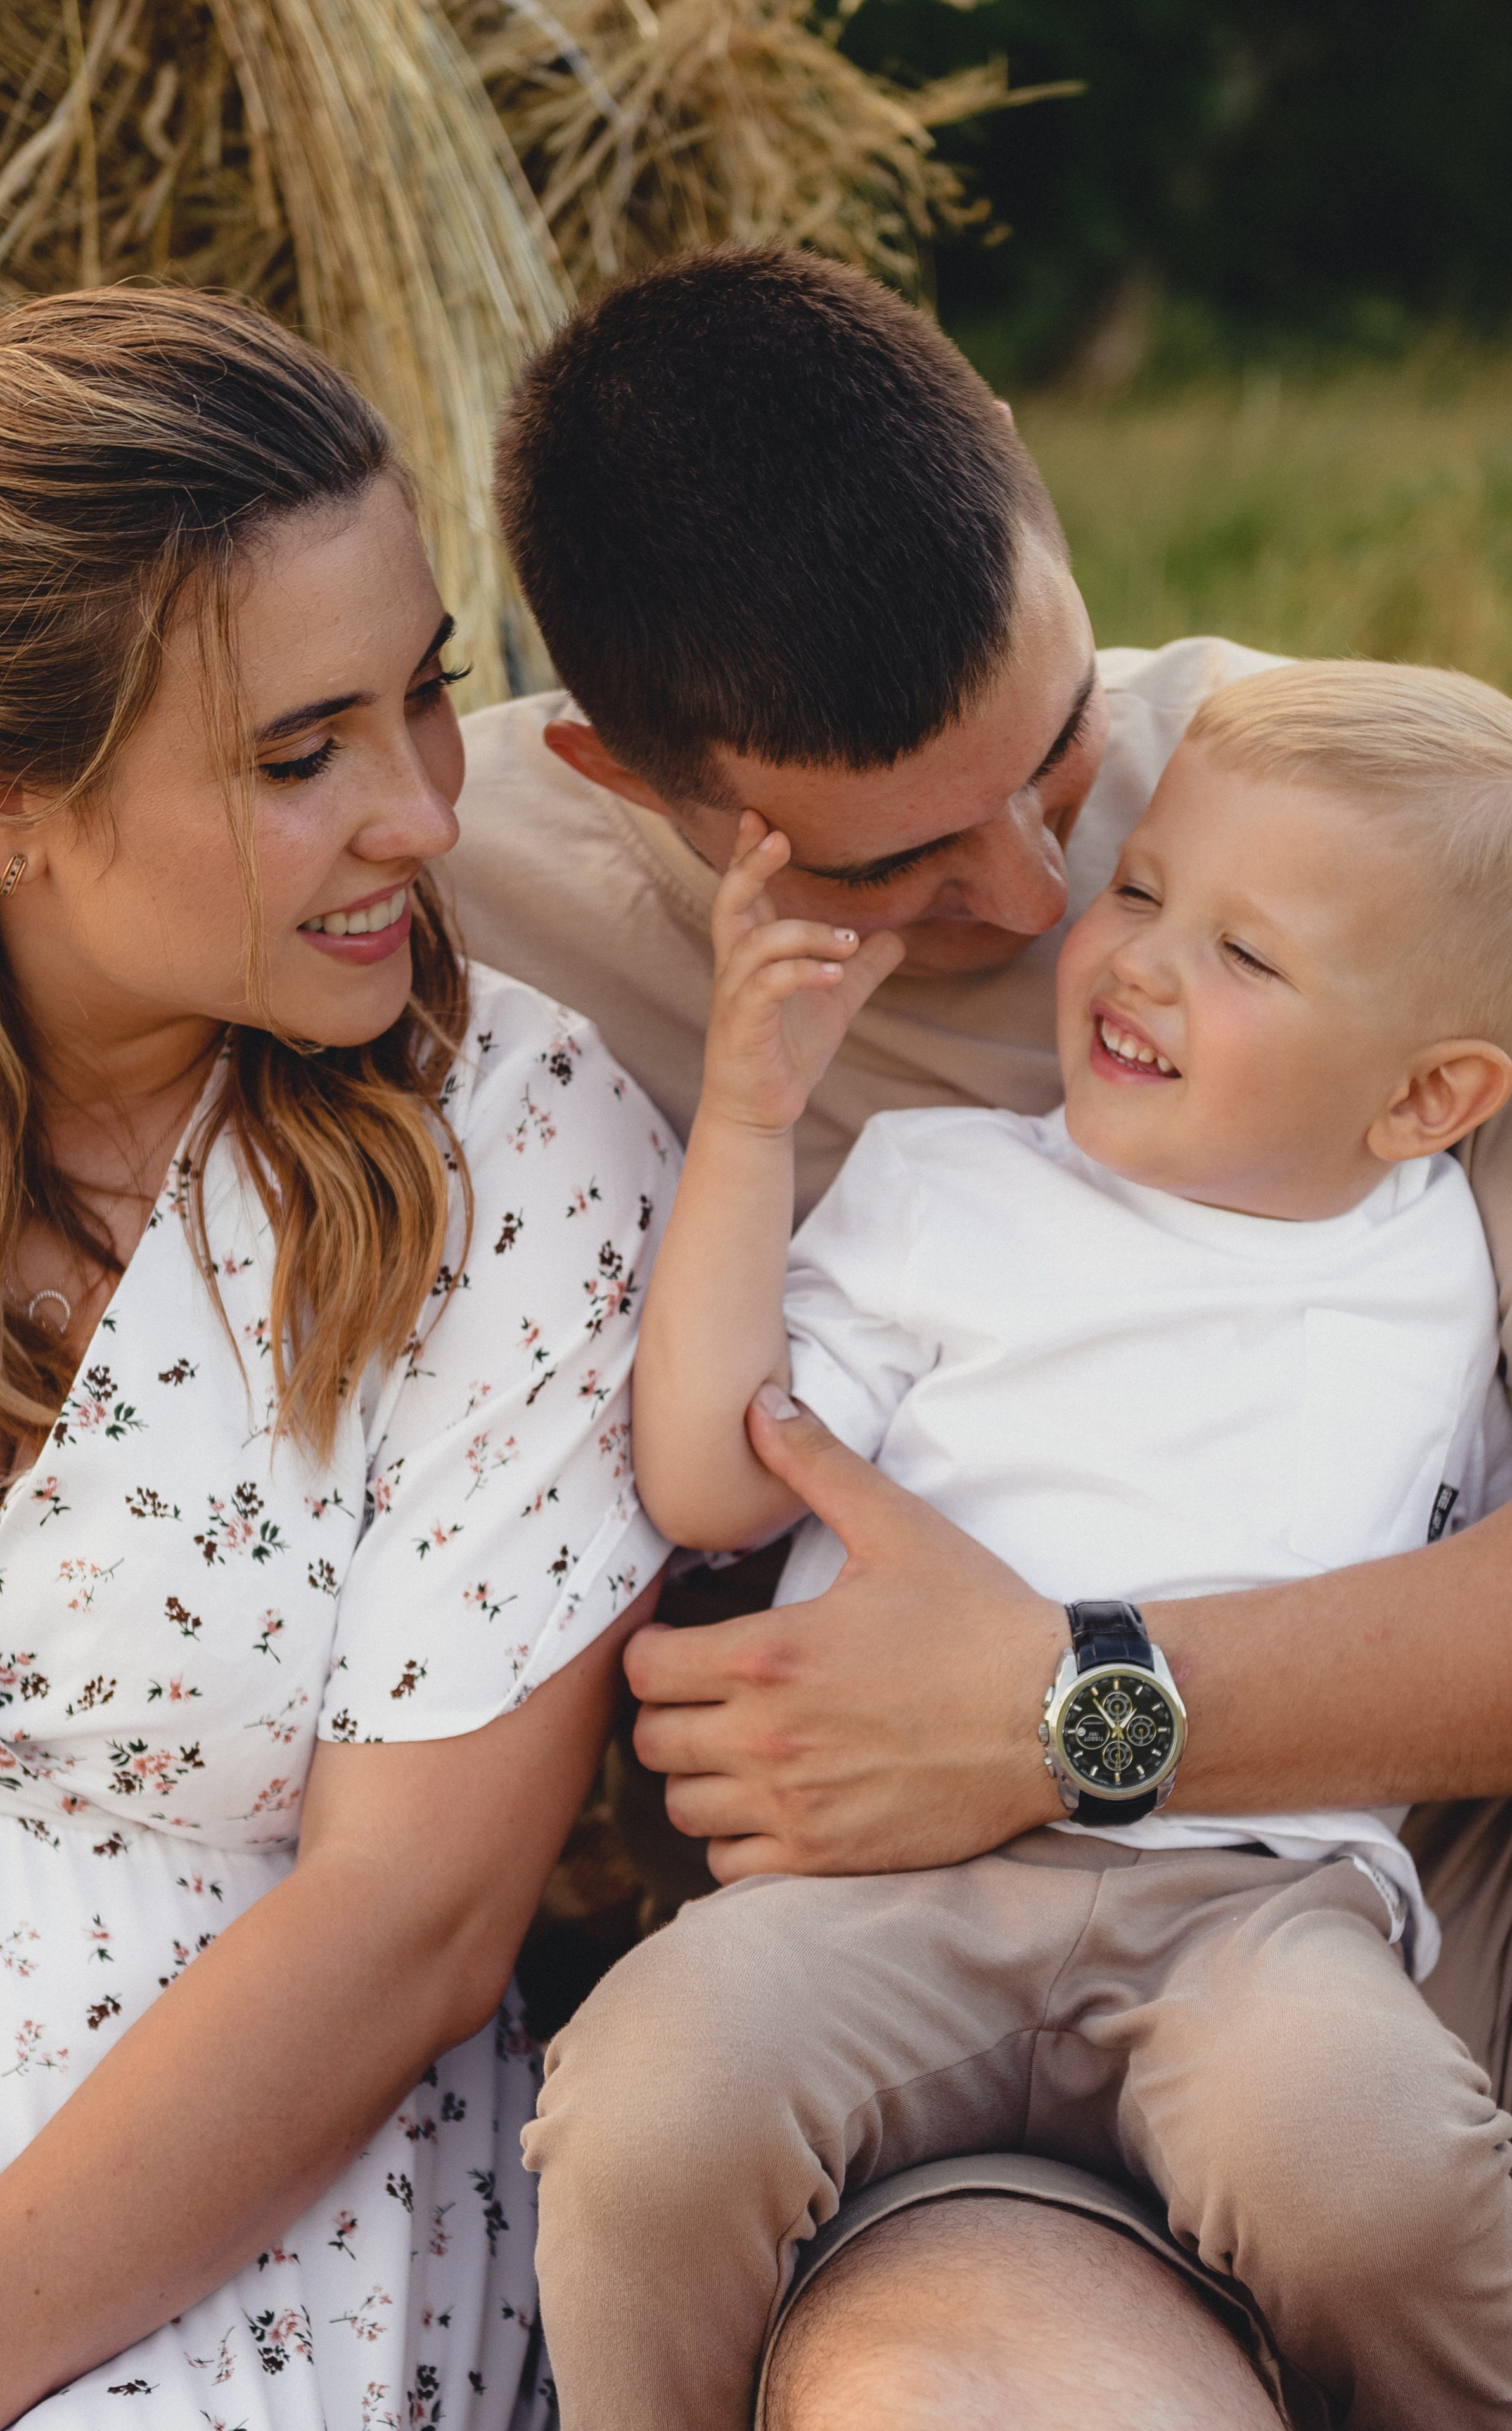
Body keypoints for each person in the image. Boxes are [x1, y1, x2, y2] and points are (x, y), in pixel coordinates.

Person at [444, 246, 1512, 2411]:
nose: (1042, 890)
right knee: (672, 2125)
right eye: (895, 855)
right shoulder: (455, 892)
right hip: (901, 1954)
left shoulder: (1340, 826)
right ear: (629, 780)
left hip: (1368, 1893)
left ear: (1035, 489)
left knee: (1347, 2133)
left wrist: (1073, 1705)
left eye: (1063, 748)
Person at [0, 288, 675, 2428]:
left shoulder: (514, 1151)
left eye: (425, 699)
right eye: (302, 755)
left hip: (226, 2201)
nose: (415, 814)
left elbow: (410, 1927)